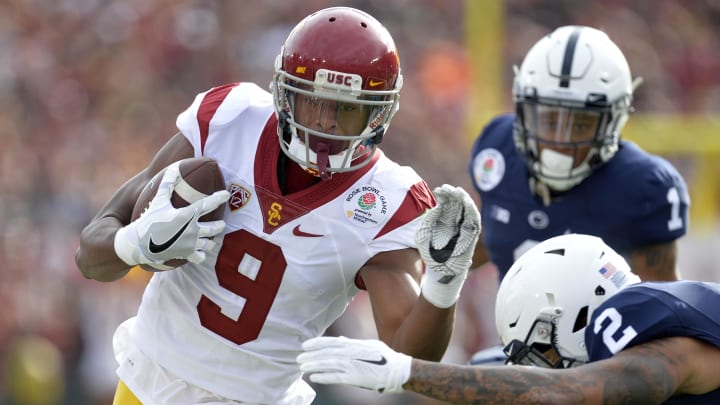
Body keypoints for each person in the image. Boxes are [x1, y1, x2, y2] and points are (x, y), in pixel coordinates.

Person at [74, 7, 481, 405]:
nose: (325, 124)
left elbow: (410, 361)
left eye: (348, 110)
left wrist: (445, 282)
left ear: (378, 116)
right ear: (284, 93)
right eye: (314, 102)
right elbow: (90, 255)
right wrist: (133, 244)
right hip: (148, 383)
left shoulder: (386, 201)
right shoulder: (231, 120)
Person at [297, 234, 720, 404]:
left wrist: (407, 371)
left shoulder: (665, 343)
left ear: (582, 311)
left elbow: (566, 392)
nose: (538, 368)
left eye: (541, 350)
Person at [468, 25, 689, 282]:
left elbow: (663, 303)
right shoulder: (499, 149)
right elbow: (494, 233)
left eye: (581, 124)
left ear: (613, 122)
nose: (561, 141)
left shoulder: (643, 187)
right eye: (550, 121)